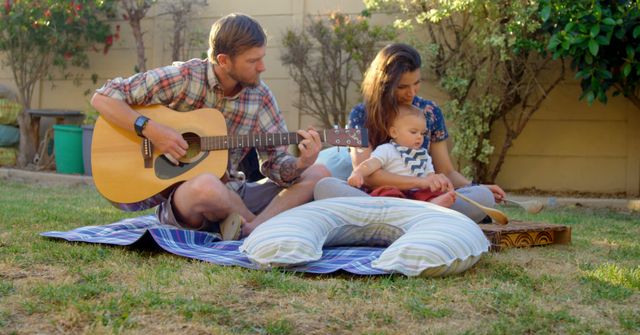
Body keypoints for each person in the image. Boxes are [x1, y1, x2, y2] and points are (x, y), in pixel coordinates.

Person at [91, 13, 330, 239]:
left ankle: (249, 228)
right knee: (207, 185)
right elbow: (103, 97)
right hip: (189, 198)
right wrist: (153, 131)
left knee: (319, 174)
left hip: (237, 192)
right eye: (253, 61)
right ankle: (259, 231)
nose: (262, 67)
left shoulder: (261, 96)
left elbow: (275, 165)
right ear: (224, 61)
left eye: (262, 58)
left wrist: (300, 164)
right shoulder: (184, 77)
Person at [314, 43, 505, 222]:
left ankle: (393, 221)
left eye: (416, 83)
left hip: (420, 197)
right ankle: (422, 216)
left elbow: (445, 171)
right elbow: (369, 176)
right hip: (380, 196)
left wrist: (474, 187)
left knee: (483, 196)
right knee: (325, 187)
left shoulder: (429, 111)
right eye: (402, 87)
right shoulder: (361, 115)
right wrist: (421, 182)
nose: (411, 93)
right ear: (383, 85)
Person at [347, 104, 456, 207]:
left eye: (422, 133)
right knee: (386, 192)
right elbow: (370, 164)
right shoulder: (387, 149)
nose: (419, 137)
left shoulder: (424, 155)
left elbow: (430, 176)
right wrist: (358, 172)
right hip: (396, 190)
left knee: (430, 192)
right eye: (413, 132)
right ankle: (406, 208)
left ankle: (432, 203)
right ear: (394, 132)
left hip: (417, 192)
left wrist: (437, 183)